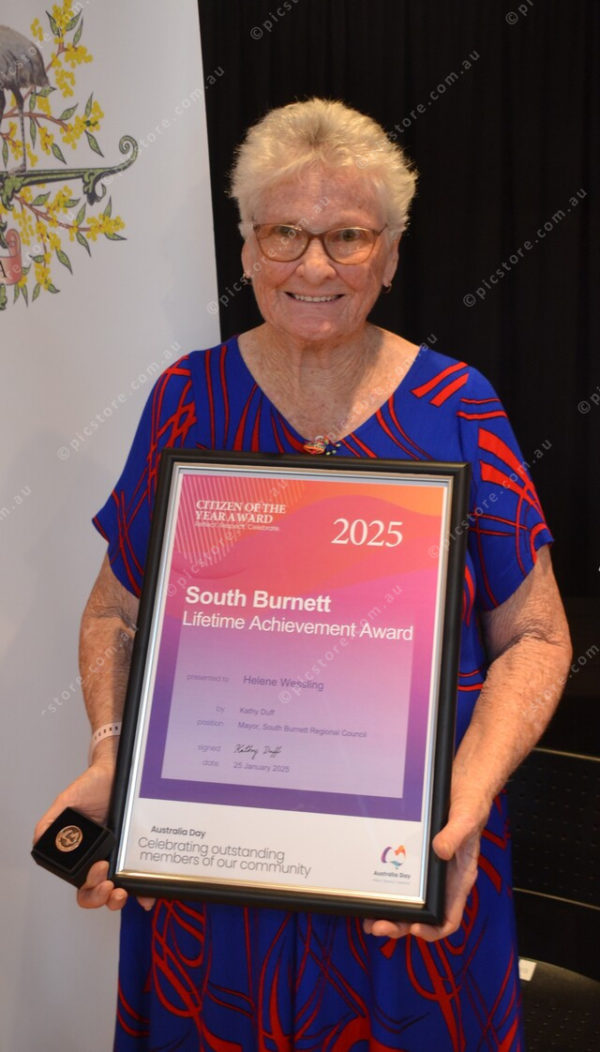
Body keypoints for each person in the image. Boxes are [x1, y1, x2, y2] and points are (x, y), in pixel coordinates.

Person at [36, 98, 571, 1050]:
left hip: (413, 867)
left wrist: (469, 794)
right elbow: (115, 614)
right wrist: (115, 759)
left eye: (348, 236)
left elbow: (535, 634)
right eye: (284, 232)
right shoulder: (185, 400)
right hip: (216, 888)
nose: (314, 267)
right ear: (246, 247)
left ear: (391, 254)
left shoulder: (460, 407)